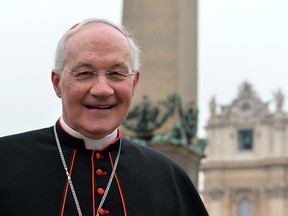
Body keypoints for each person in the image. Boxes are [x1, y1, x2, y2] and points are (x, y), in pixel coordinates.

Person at [0, 18, 208, 216]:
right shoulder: (6, 161)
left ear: (134, 83)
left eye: (116, 74)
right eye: (84, 73)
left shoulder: (167, 178)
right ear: (57, 83)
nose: (102, 90)